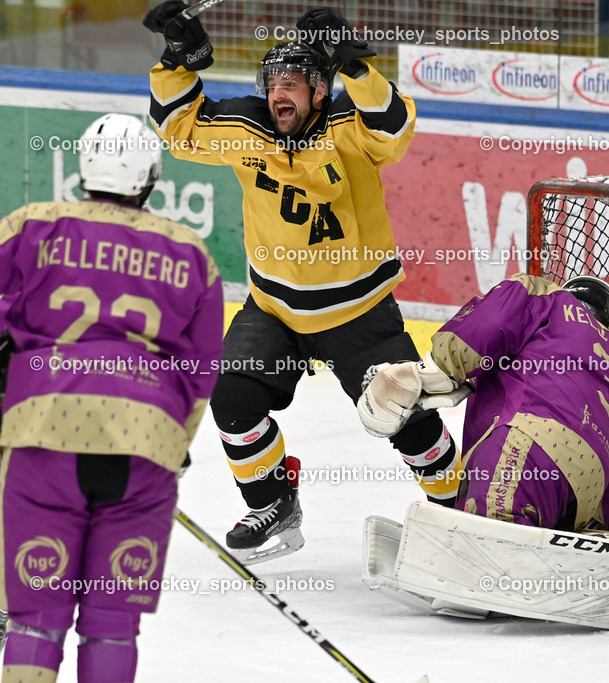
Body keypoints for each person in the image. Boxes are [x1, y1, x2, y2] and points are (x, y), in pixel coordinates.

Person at [143, 4, 463, 563]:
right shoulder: (248, 127)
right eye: (272, 84)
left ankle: (462, 510)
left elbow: (395, 127)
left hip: (358, 315)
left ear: (320, 90)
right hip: (274, 312)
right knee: (234, 398)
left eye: (292, 84)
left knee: (409, 421)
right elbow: (179, 129)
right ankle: (272, 502)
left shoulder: (349, 128)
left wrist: (355, 65)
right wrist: (179, 60)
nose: (278, 94)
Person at [0, 113, 223, 682]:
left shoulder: (31, 226)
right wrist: (174, 440)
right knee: (110, 623)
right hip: (143, 445)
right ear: (150, 176)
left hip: (42, 433)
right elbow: (201, 372)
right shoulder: (190, 253)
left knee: (36, 619)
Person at [359, 272, 609, 536]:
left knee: (490, 535)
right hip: (587, 487)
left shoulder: (547, 299)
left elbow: (490, 323)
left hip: (530, 442)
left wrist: (431, 371)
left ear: (567, 293)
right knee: (530, 537)